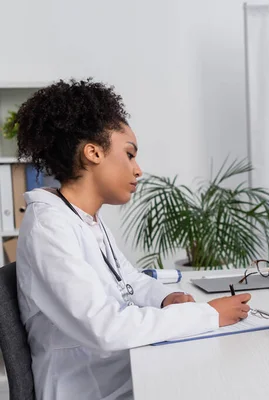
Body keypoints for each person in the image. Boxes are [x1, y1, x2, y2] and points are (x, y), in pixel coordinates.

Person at [15, 79, 251, 400]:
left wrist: (167, 299)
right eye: (129, 155)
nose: (138, 170)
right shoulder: (49, 227)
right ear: (93, 153)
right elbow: (105, 328)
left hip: (119, 370)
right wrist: (208, 315)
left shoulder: (84, 219)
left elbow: (131, 280)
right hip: (87, 387)